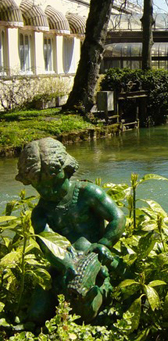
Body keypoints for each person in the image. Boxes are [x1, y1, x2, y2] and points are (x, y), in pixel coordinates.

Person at [16, 137, 126, 322]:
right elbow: (48, 246)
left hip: (96, 256)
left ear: (67, 170)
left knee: (86, 310)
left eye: (55, 184)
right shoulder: (40, 213)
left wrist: (104, 244)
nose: (49, 191)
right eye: (41, 187)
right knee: (37, 313)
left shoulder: (87, 193)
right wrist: (66, 266)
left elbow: (118, 218)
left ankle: (100, 296)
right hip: (63, 264)